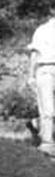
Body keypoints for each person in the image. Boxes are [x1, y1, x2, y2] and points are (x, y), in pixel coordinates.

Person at [31, 8, 55, 156]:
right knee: (47, 108)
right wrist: (31, 75)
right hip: (45, 68)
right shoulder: (42, 30)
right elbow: (35, 53)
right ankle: (47, 143)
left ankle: (36, 124)